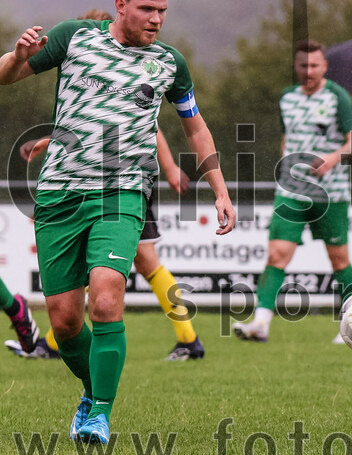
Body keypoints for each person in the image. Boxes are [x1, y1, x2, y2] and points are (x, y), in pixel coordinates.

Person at [0, 0, 236, 444]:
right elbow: (6, 76)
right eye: (147, 8)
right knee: (66, 323)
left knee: (107, 297)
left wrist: (220, 188)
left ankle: (100, 415)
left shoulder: (170, 63)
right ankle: (92, 393)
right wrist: (17, 56)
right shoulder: (73, 37)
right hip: (59, 195)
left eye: (163, 11)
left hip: (122, 193)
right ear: (121, 4)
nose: (156, 19)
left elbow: (195, 127)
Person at [9, 127, 205, 361]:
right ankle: (189, 340)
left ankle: (54, 343)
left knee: (118, 262)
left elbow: (151, 125)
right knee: (139, 263)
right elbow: (92, 124)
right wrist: (50, 140)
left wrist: (170, 166)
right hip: (107, 179)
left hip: (123, 182)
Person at [233, 40, 352, 343]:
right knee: (277, 254)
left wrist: (333, 158)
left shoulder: (337, 97)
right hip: (291, 191)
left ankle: (351, 325)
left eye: (315, 65)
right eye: (304, 65)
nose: (309, 71)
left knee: (339, 260)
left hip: (330, 193)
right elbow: (287, 136)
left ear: (325, 67)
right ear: (296, 67)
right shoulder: (287, 98)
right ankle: (261, 323)